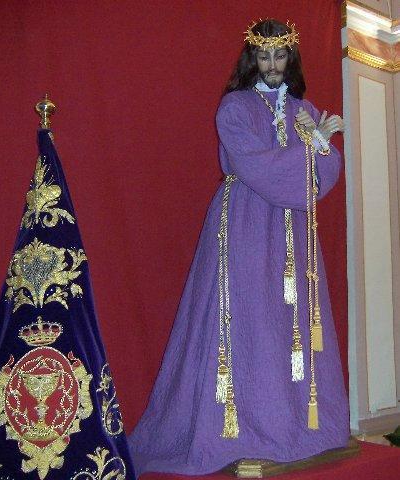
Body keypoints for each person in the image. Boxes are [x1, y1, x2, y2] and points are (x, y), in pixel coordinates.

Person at [129, 19, 350, 476]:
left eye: (280, 55)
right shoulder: (234, 107)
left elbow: (324, 175)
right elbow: (254, 165)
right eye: (264, 55)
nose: (272, 64)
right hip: (246, 222)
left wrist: (320, 144)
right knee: (249, 316)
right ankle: (245, 428)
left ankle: (300, 426)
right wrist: (314, 147)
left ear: (291, 58)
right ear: (252, 58)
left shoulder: (304, 109)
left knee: (292, 322)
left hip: (293, 229)